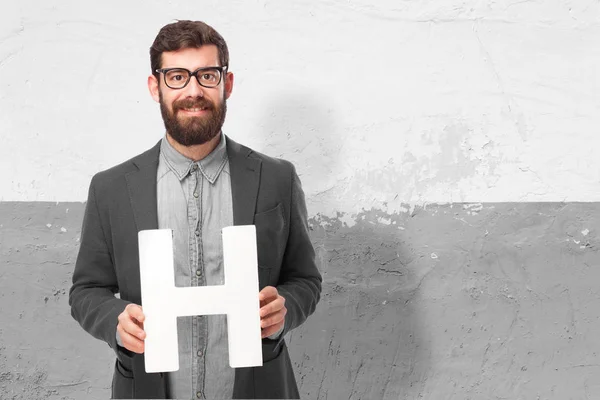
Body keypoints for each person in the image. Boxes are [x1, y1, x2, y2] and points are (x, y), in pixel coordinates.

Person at [68, 20, 322, 399]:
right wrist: (114, 322)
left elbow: (305, 280)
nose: (193, 90)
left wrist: (287, 308)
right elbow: (86, 290)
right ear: (156, 87)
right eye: (176, 76)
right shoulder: (111, 188)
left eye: (206, 75)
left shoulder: (276, 178)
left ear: (227, 83)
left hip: (259, 388)